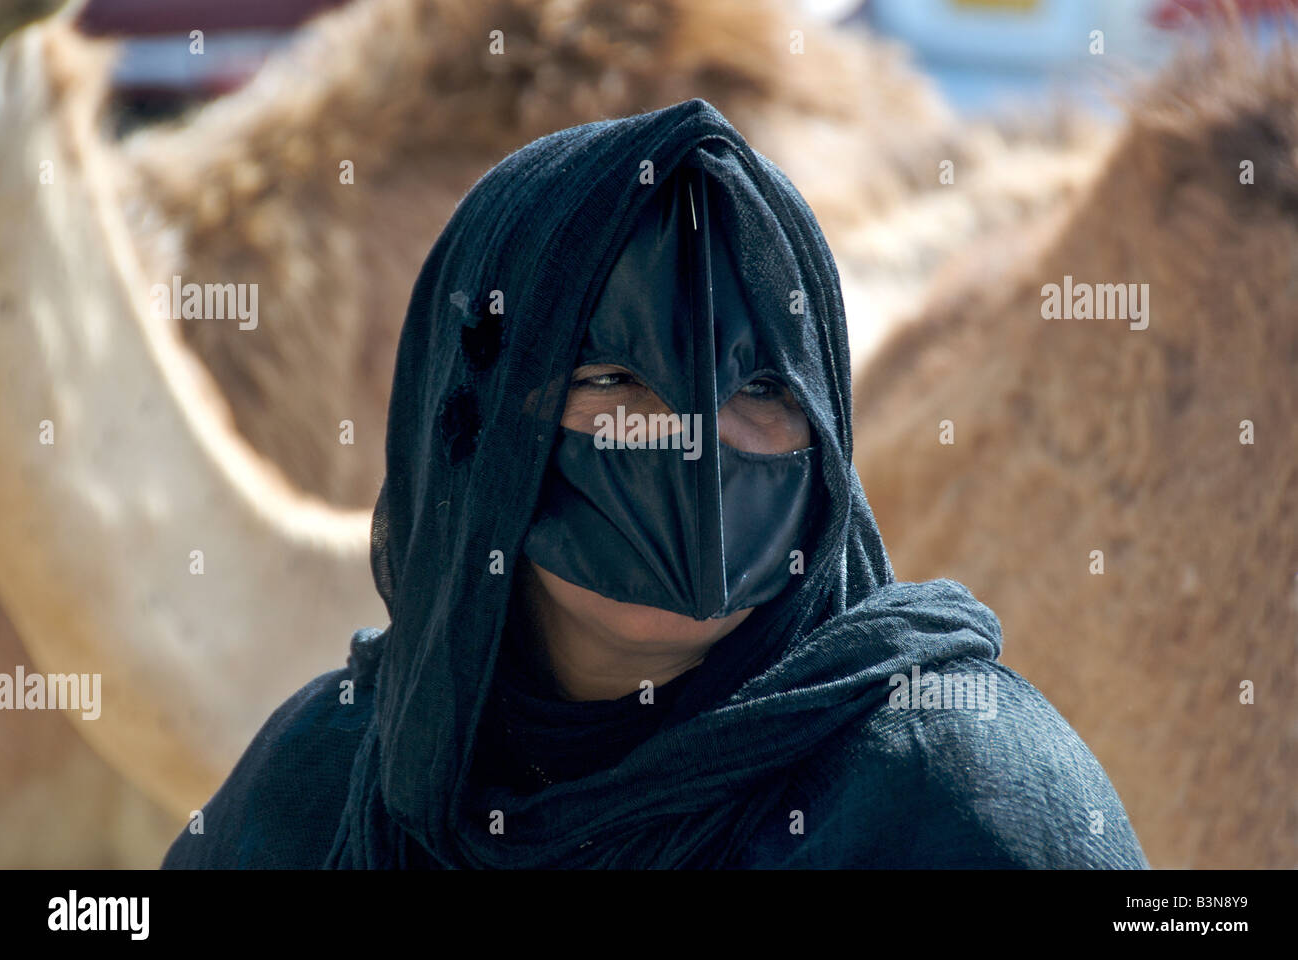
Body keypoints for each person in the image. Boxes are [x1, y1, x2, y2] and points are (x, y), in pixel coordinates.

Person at [161, 98, 1148, 869]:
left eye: (761, 386)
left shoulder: (963, 804)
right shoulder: (323, 785)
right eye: (615, 378)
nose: (694, 446)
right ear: (473, 417)